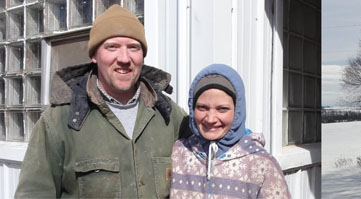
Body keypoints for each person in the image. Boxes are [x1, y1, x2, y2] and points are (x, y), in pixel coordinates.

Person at [15, 5, 189, 198]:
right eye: (112, 47)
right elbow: (34, 193)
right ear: (94, 55)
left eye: (133, 47)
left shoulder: (170, 117)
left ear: (142, 56)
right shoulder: (59, 121)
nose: (124, 58)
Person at [170, 64, 290, 198]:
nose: (210, 119)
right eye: (202, 107)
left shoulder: (261, 163)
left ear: (237, 111)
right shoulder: (179, 153)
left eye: (222, 109)